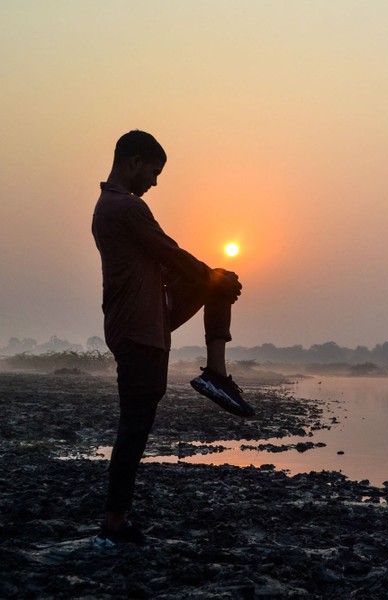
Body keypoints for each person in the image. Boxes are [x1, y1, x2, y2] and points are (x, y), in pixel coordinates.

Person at [91, 130, 254, 547]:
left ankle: (216, 374)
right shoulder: (127, 207)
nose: (155, 182)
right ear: (133, 162)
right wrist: (209, 277)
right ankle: (114, 522)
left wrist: (214, 282)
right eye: (153, 171)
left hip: (147, 317)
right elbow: (170, 253)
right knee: (134, 428)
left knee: (219, 279)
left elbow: (158, 264)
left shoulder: (108, 206)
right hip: (139, 329)